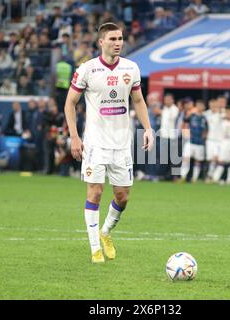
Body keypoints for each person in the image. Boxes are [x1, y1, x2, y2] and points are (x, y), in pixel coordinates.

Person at [64, 22, 154, 263]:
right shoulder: (87, 70)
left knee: (123, 196)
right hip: (95, 143)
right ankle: (95, 249)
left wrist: (148, 128)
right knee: (95, 192)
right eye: (113, 39)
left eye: (120, 38)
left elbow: (138, 100)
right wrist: (74, 136)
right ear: (101, 42)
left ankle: (105, 233)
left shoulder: (131, 68)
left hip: (122, 143)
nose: (118, 43)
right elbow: (70, 103)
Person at [179, 100, 208, 183]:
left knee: (197, 161)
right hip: (191, 141)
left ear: (204, 107)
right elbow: (183, 123)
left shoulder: (205, 118)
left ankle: (194, 178)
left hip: (200, 143)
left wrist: (204, 137)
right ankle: (183, 176)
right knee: (186, 158)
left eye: (201, 106)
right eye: (198, 105)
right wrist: (185, 133)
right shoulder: (192, 116)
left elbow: (206, 129)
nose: (199, 107)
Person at [212, 107, 230, 185]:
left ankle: (229, 180)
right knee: (221, 161)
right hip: (223, 143)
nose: (228, 114)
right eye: (227, 113)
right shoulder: (222, 122)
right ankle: (215, 178)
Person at [204, 98, 224, 183]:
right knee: (210, 159)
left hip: (219, 140)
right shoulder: (206, 114)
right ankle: (211, 176)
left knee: (216, 158)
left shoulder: (221, 114)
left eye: (214, 105)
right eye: (211, 105)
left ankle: (213, 176)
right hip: (209, 140)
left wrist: (220, 111)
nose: (213, 107)